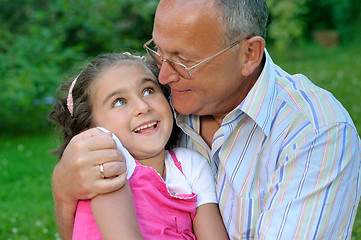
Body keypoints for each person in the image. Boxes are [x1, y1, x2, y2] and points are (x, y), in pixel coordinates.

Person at [52, 0, 361, 239]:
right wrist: (64, 190)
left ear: (249, 55)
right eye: (159, 52)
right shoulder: (162, 104)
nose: (163, 76)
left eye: (183, 60)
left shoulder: (315, 134)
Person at [50, 52, 229, 239]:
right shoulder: (106, 160)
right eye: (119, 102)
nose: (142, 107)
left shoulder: (191, 166)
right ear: (90, 128)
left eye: (148, 91)